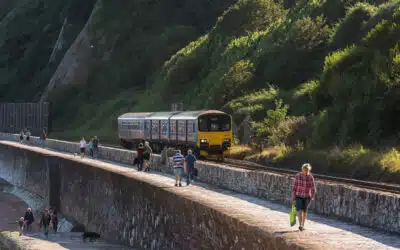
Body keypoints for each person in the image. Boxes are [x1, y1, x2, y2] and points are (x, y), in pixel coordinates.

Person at [292, 163, 316, 231]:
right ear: (302, 169)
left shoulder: (310, 177)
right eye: (305, 170)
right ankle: (300, 225)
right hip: (298, 195)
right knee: (300, 210)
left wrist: (313, 196)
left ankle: (303, 224)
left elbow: (313, 187)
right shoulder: (297, 175)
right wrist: (293, 195)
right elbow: (295, 186)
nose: (306, 171)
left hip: (307, 196)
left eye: (307, 170)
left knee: (304, 211)